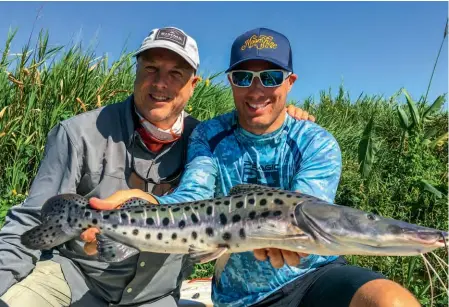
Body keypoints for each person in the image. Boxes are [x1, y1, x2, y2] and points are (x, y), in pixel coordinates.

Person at [86, 28, 422, 307]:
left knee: (391, 301)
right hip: (239, 296)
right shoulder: (209, 135)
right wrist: (149, 206)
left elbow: (307, 211)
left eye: (271, 77)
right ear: (231, 81)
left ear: (289, 82)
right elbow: (193, 196)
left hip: (313, 277)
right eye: (244, 77)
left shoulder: (316, 141)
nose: (256, 90)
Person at [0, 26, 312, 307]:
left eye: (175, 73)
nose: (160, 83)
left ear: (193, 85)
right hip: (73, 278)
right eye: (150, 68)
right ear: (135, 72)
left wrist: (286, 119)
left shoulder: (209, 141)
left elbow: (256, 149)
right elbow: (29, 218)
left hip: (155, 296)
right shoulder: (77, 132)